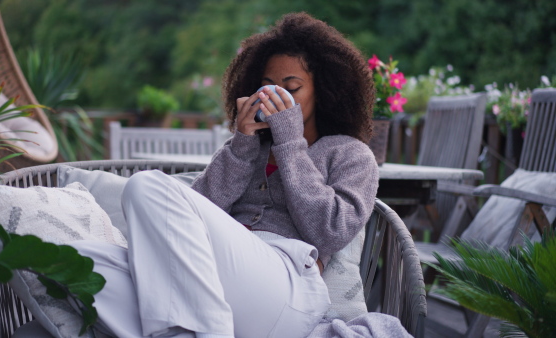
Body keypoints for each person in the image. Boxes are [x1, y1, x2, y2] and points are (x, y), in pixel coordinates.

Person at [72, 12, 382, 338]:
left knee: (145, 185)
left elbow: (330, 231)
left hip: (288, 289)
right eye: (267, 87)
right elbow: (189, 214)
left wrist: (291, 142)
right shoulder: (247, 148)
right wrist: (242, 144)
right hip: (219, 286)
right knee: (78, 260)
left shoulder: (350, 154)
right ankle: (193, 330)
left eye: (291, 88)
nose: (276, 95)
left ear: (325, 91)